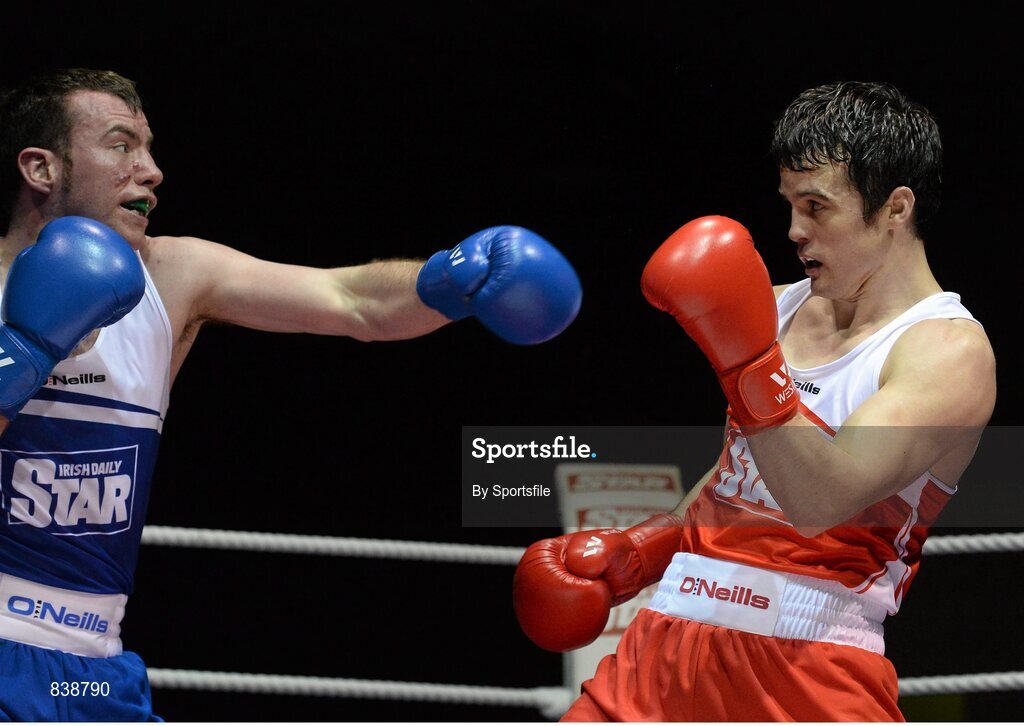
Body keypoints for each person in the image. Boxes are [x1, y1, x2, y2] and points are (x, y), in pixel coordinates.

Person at [0, 67, 582, 721]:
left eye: (149, 146)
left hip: (90, 672)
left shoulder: (172, 276)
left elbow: (353, 300)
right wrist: (20, 350)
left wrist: (450, 282)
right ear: (41, 168)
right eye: (120, 145)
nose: (151, 170)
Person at [513, 81, 996, 721]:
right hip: (663, 646)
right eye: (790, 204)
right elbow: (739, 475)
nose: (794, 230)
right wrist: (641, 553)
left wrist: (746, 361)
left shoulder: (947, 353)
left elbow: (820, 500)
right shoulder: (775, 309)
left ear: (895, 208)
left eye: (817, 206)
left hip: (805, 668)